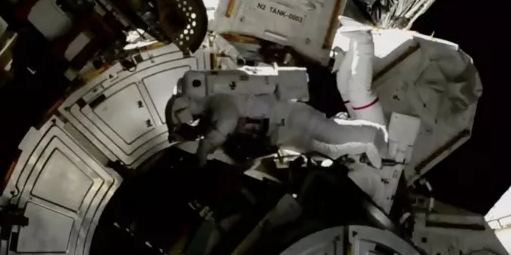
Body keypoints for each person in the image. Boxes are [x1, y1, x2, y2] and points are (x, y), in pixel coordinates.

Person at [165, 70, 387, 168]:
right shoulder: (212, 106)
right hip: (278, 131)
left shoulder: (219, 100)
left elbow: (227, 121)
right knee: (326, 148)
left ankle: (377, 136)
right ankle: (368, 153)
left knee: (334, 135)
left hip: (288, 115)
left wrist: (203, 150)